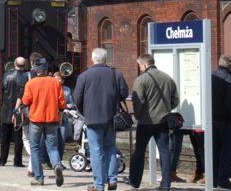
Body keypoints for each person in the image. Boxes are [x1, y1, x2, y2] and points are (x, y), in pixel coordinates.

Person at [73, 48, 129, 191]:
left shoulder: (84, 75)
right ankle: (113, 179)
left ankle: (98, 185)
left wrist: (85, 111)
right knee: (110, 148)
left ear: (93, 59)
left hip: (92, 118)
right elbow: (124, 93)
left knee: (96, 150)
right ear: (105, 59)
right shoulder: (116, 74)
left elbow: (77, 98)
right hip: (111, 118)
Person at [129, 53, 179, 191]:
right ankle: (166, 184)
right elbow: (175, 99)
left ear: (145, 65)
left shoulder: (141, 80)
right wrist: (166, 109)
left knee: (139, 151)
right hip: (163, 121)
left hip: (145, 122)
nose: (139, 68)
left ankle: (134, 182)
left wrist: (138, 116)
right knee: (164, 151)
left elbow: (138, 102)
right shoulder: (167, 78)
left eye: (139, 65)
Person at [19, 57, 65, 186]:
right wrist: (59, 112)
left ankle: (39, 177)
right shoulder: (55, 83)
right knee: (52, 147)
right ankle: (56, 165)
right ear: (46, 69)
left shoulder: (31, 83)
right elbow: (62, 102)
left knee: (34, 148)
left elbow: (26, 101)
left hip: (36, 120)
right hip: (52, 119)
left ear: (36, 70)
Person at [212, 55, 231, 190]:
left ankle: (213, 179)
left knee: (214, 150)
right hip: (225, 121)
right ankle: (223, 180)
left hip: (211, 120)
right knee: (226, 151)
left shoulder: (211, 76)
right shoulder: (230, 80)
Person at [0, 57, 28, 167]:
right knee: (18, 137)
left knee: (5, 137)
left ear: (14, 64)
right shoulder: (26, 77)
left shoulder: (6, 75)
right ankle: (17, 161)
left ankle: (2, 160)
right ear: (24, 65)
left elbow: (2, 89)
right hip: (19, 109)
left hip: (6, 108)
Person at [54, 71, 74, 166]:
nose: (58, 80)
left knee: (61, 140)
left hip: (63, 118)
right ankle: (53, 161)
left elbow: (71, 103)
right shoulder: (51, 88)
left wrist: (68, 105)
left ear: (62, 80)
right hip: (53, 118)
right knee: (53, 141)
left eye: (60, 79)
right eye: (56, 78)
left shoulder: (67, 90)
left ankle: (59, 161)